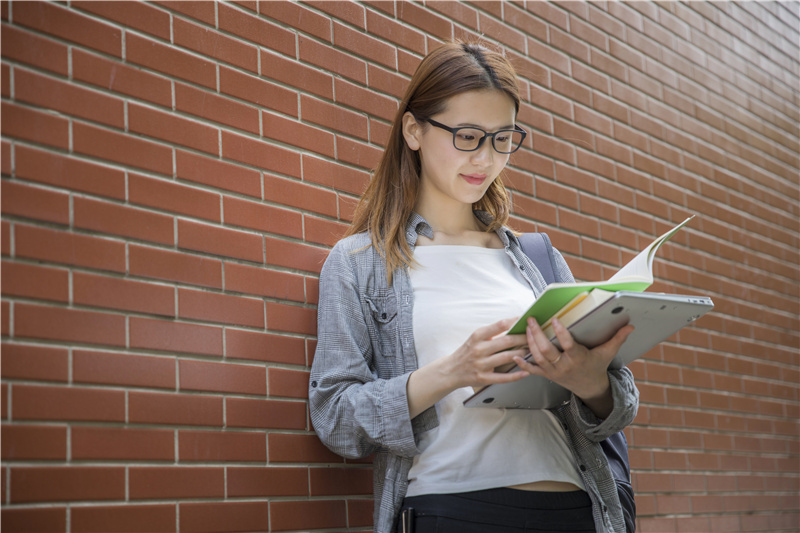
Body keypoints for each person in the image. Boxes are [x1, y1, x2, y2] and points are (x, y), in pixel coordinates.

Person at [309, 41, 639, 533]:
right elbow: (335, 417)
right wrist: (450, 372)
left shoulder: (536, 260)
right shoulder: (359, 264)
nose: (485, 158)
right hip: (451, 511)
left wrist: (589, 382)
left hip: (575, 509)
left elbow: (620, 403)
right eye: (467, 135)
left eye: (503, 138)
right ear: (414, 130)